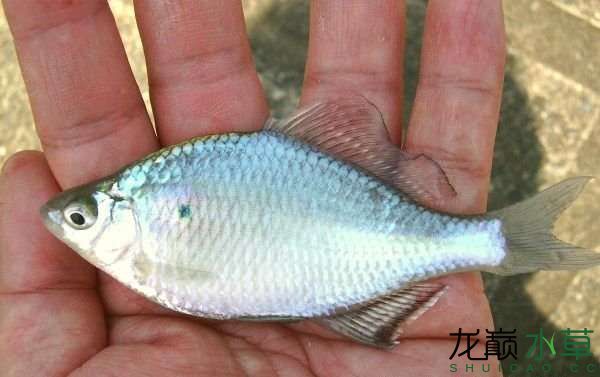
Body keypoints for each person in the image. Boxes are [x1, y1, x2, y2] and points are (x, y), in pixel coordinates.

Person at [0, 1, 505, 376]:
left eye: (81, 217)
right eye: (79, 218)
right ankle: (493, 242)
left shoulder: (148, 230)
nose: (66, 225)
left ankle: (493, 241)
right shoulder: (149, 215)